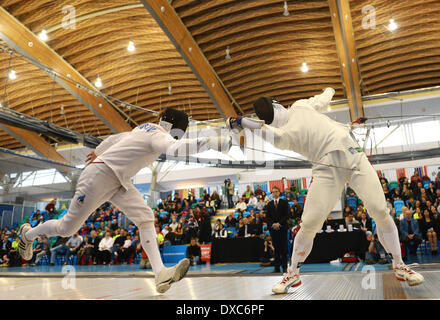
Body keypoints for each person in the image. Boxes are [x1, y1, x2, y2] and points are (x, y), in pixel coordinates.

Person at [227, 87, 424, 293]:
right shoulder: (284, 133)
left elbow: (319, 100)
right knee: (310, 223)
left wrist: (329, 91)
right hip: (325, 168)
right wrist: (245, 123)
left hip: (353, 156)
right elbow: (273, 136)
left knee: (379, 210)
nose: (273, 118)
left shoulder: (300, 106)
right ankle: (293, 272)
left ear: (277, 105)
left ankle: (400, 264)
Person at [17, 107, 231, 294]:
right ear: (175, 128)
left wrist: (98, 151)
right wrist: (212, 142)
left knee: (146, 216)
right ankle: (28, 234)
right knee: (66, 228)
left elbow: (114, 139)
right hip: (99, 176)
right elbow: (175, 149)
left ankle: (160, 275)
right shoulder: (158, 134)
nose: (178, 136)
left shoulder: (143, 128)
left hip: (117, 179)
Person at [265, 186, 289, 273]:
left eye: (276, 191)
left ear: (279, 192)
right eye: (273, 192)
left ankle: (285, 267)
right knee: (276, 249)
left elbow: (286, 215)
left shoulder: (284, 202)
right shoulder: (269, 204)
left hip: (282, 228)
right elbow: (267, 217)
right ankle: (277, 267)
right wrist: (273, 224)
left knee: (284, 248)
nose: (274, 193)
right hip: (273, 229)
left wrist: (279, 223)